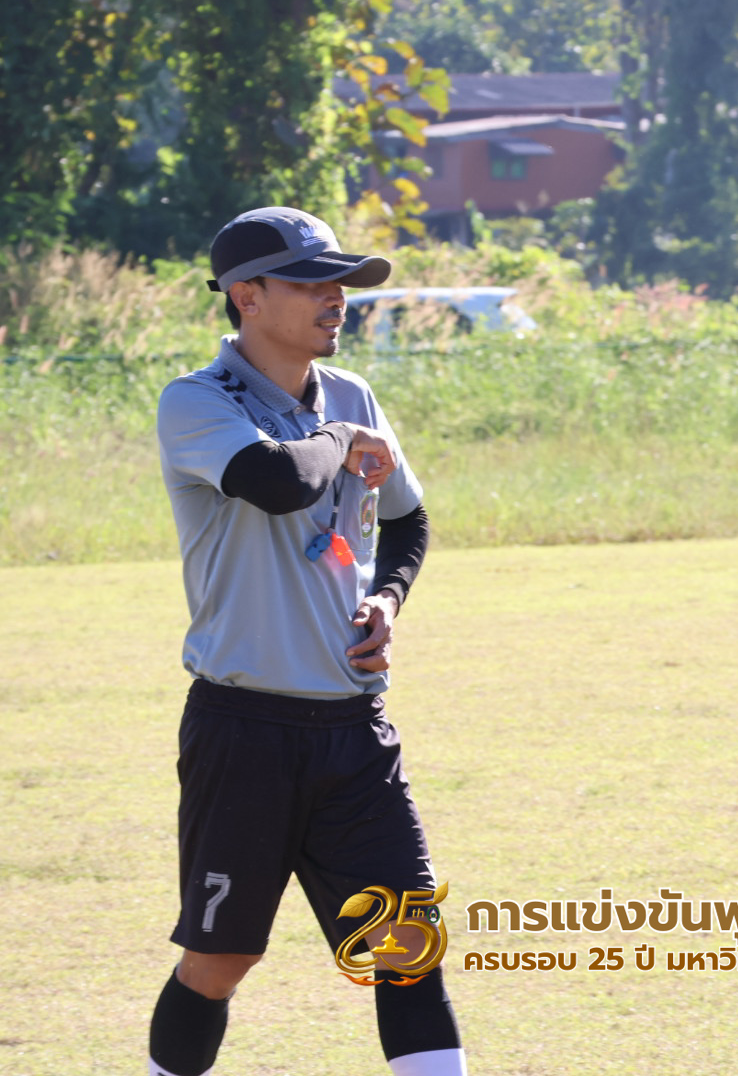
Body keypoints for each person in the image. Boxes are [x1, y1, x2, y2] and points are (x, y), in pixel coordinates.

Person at [148, 207, 465, 1076]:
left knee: (408, 949)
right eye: (312, 281)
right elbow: (275, 479)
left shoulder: (352, 395)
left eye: (342, 282)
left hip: (354, 730)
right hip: (243, 730)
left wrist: (389, 599)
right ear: (247, 296)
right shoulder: (196, 400)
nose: (337, 297)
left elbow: (408, 520)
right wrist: (341, 438)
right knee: (219, 963)